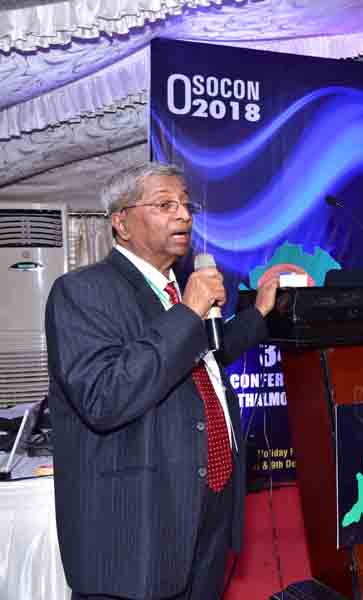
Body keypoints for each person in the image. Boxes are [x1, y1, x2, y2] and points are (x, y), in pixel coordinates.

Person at [45, 163, 279, 600]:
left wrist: (258, 314)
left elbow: (202, 361)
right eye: (165, 204)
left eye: (186, 205)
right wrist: (188, 313)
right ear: (121, 222)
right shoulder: (82, 292)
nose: (184, 215)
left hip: (209, 504)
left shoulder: (178, 292)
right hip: (141, 521)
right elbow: (105, 396)